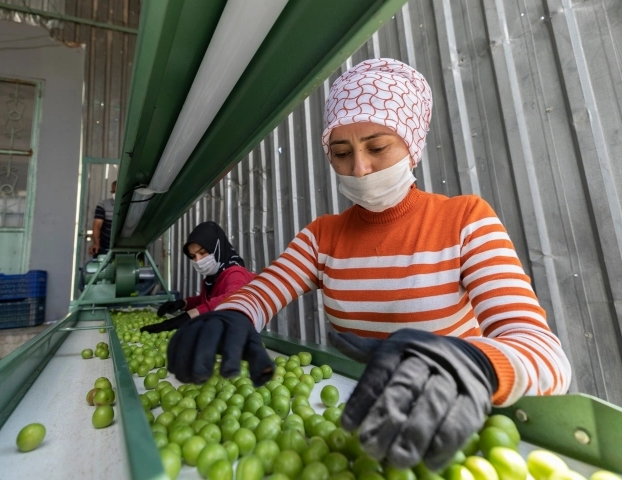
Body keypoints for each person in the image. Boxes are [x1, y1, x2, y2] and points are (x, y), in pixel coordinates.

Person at [165, 59, 572, 470]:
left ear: (411, 144)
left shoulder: (464, 221)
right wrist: (230, 314)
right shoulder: (322, 237)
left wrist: (474, 363)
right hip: (349, 423)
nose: (359, 168)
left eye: (377, 148)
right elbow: (263, 292)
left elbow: (543, 352)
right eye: (341, 153)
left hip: (444, 428)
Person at [141, 221, 255, 333]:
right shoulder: (212, 278)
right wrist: (183, 303)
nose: (198, 260)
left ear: (218, 248)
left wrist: (187, 317)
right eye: (193, 256)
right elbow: (206, 302)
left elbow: (233, 298)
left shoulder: (235, 273)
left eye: (203, 252)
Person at [89, 181, 116, 256]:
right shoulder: (103, 204)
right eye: (114, 191)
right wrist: (96, 243)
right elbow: (97, 225)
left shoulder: (133, 205)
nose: (116, 194)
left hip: (129, 248)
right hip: (106, 248)